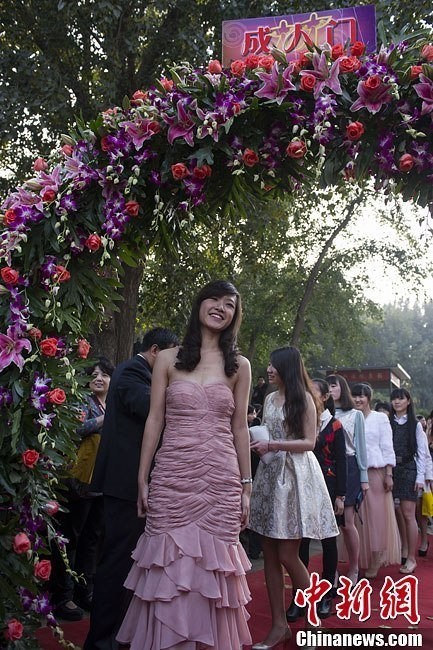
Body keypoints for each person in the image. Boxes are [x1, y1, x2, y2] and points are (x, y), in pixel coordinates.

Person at [116, 280, 253, 649]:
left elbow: (239, 426)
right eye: (215, 299)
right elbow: (154, 421)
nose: (221, 308)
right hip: (172, 476)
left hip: (222, 479)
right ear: (199, 303)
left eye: (230, 305)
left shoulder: (239, 365)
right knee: (167, 568)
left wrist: (246, 486)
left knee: (214, 569)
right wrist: (143, 478)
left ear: (234, 316)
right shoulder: (167, 359)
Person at [83, 327, 179, 650]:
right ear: (156, 351)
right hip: (124, 486)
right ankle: (101, 641)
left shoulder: (139, 372)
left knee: (129, 563)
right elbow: (153, 409)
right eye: (173, 357)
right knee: (116, 565)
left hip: (134, 485)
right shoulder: (130, 373)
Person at [249, 347, 339, 649]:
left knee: (288, 554)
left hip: (296, 477)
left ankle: (313, 621)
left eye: (274, 366)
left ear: (287, 368)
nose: (269, 370)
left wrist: (273, 444)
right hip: (270, 476)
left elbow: (309, 442)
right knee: (270, 555)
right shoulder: (270, 399)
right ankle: (279, 626)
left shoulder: (304, 400)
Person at [49, 357, 114, 621]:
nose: (99, 378)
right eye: (94, 374)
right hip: (77, 481)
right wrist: (104, 421)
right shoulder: (81, 401)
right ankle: (62, 597)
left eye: (104, 374)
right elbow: (75, 429)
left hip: (102, 482)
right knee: (69, 539)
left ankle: (83, 592)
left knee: (92, 540)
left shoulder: (110, 404)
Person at [297, 378, 347, 620]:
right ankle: (301, 594)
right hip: (304, 486)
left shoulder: (335, 426)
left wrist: (341, 495)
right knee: (302, 540)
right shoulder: (302, 421)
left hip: (328, 487)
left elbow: (342, 461)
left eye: (314, 393)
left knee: (328, 541)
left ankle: (327, 593)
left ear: (326, 397)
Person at [351, 383, 400, 577]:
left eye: (362, 396)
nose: (358, 400)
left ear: (369, 398)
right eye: (355, 396)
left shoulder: (380, 418)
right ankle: (360, 557)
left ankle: (377, 557)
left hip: (376, 472)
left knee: (377, 516)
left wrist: (389, 474)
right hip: (355, 473)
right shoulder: (350, 416)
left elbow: (387, 446)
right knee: (359, 516)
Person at [327, 374, 368, 585]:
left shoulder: (355, 415)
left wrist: (364, 478)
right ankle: (330, 570)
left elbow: (360, 447)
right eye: (328, 386)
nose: (330, 389)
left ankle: (354, 567)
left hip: (350, 468)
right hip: (326, 467)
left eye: (334, 385)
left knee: (348, 521)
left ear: (342, 388)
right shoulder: (322, 414)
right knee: (329, 524)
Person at [390, 388, 433, 574]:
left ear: (408, 401)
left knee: (409, 514)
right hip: (391, 470)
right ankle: (403, 548)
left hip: (409, 469)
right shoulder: (388, 422)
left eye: (401, 398)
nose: (397, 402)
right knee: (395, 512)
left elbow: (422, 454)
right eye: (394, 399)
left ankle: (411, 558)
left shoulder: (415, 425)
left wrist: (420, 478)